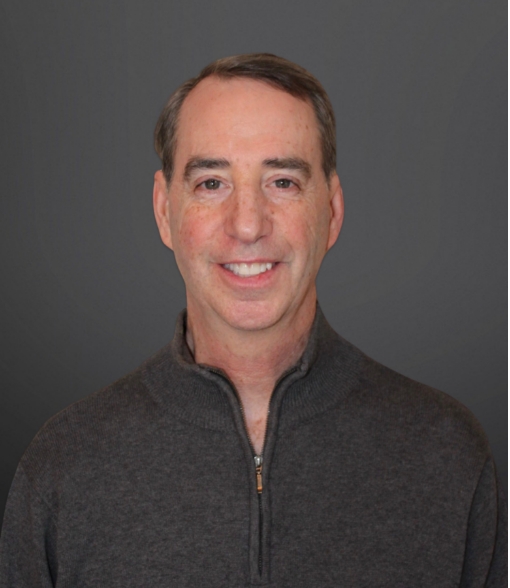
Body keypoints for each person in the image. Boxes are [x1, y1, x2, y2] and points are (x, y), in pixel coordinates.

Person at [0, 53, 505, 587]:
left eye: (282, 182)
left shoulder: (446, 454)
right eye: (211, 183)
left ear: (331, 212)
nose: (247, 225)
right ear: (164, 210)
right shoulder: (65, 465)